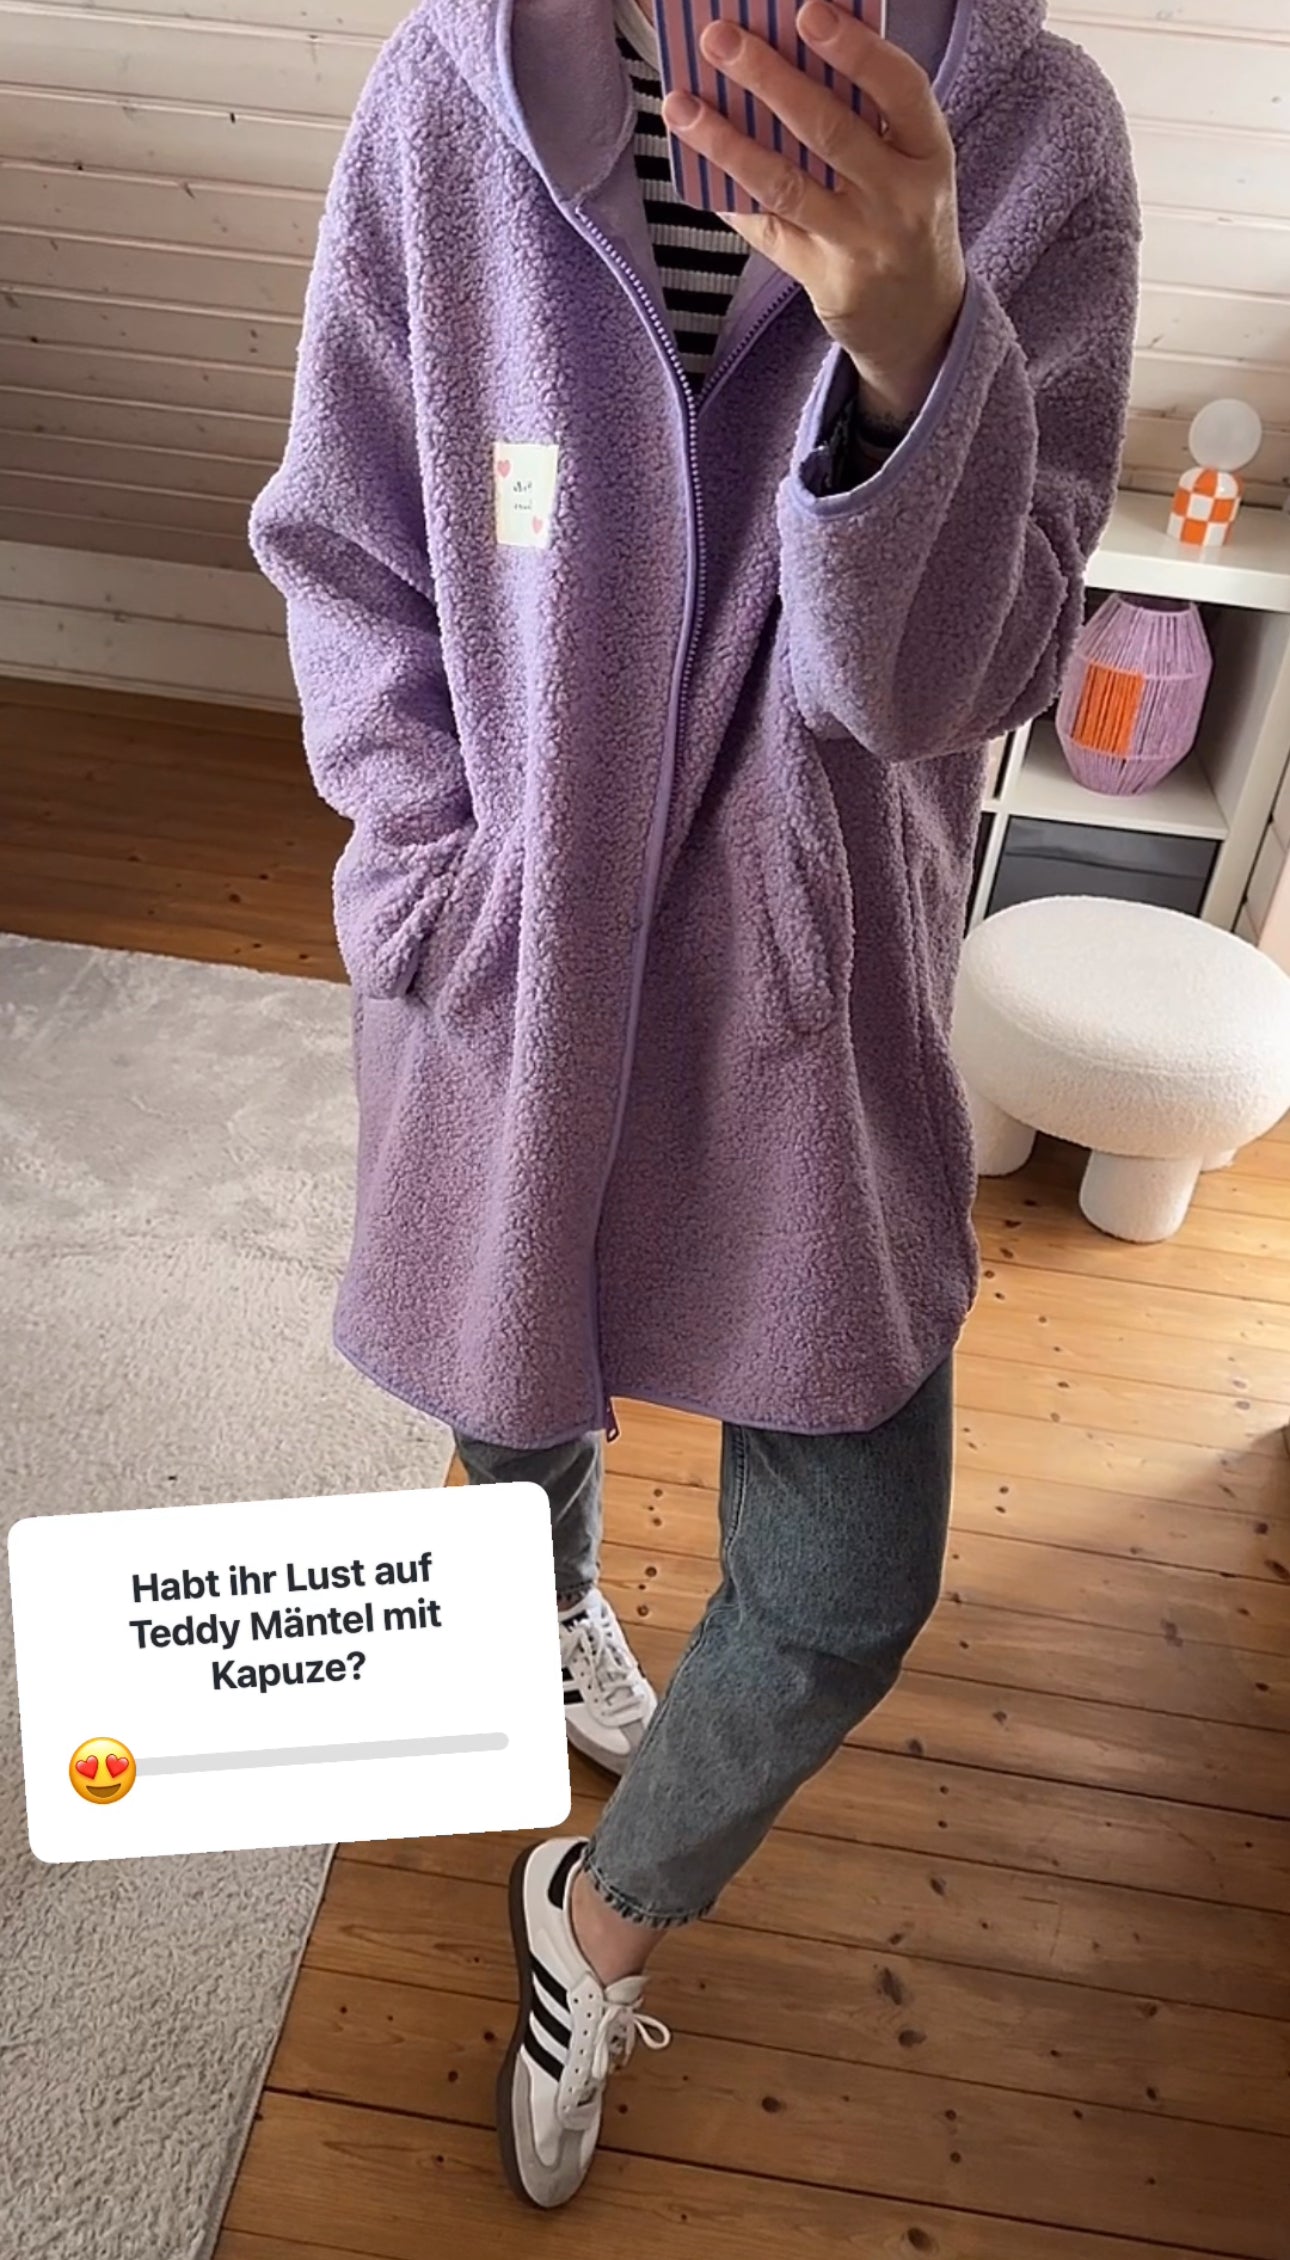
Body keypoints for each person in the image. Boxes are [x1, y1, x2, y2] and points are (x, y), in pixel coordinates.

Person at [250, 0, 1139, 2210]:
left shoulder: (1033, 135)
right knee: (515, 1381)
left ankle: (597, 1911)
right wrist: (430, 871)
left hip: (803, 1004)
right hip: (512, 955)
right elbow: (347, 538)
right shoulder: (452, 98)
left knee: (843, 1584)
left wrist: (916, 340)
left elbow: (949, 686)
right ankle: (548, 1602)